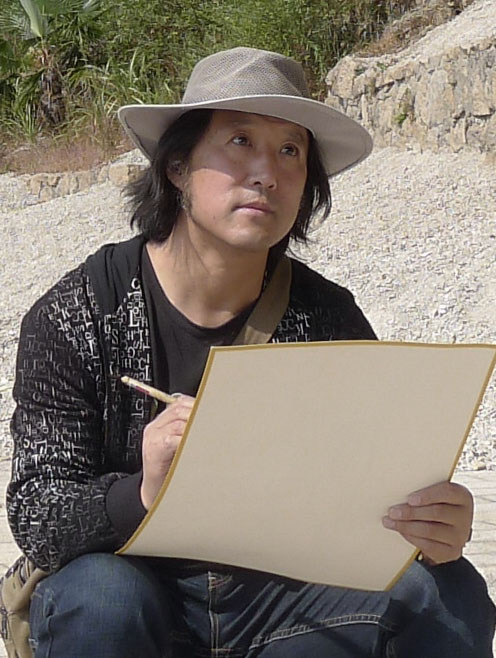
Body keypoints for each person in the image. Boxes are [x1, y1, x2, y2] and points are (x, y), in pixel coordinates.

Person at [5, 46, 495, 658]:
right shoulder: (79, 312)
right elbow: (37, 513)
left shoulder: (326, 317)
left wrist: (432, 525)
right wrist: (146, 493)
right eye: (240, 141)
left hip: (281, 603)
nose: (267, 172)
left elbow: (372, 486)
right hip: (137, 594)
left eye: (290, 151)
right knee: (100, 598)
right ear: (177, 167)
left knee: (447, 594)